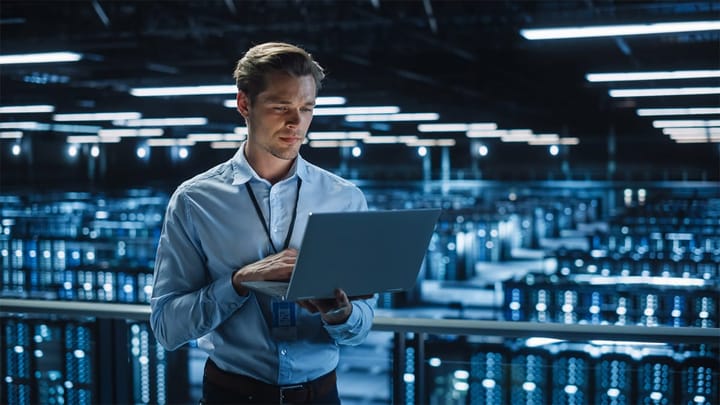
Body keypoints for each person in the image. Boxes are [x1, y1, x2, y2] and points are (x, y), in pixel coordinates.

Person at [150, 42, 376, 404]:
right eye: (281, 107)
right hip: (232, 395)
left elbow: (362, 325)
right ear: (244, 104)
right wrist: (238, 284)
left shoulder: (345, 199)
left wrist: (342, 313)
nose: (296, 122)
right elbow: (166, 327)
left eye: (307, 108)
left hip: (319, 396)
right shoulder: (194, 201)